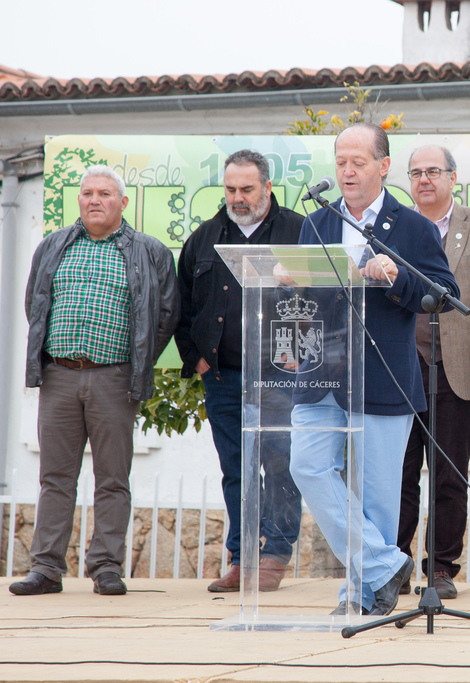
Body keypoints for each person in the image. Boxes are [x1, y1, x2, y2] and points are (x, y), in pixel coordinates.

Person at [288, 123, 459, 616]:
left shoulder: (412, 227)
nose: (346, 170)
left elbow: (443, 295)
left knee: (379, 495)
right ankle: (386, 564)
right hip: (320, 374)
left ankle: (362, 594)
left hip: (383, 375)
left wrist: (398, 276)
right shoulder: (315, 224)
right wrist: (287, 280)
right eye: (340, 161)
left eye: (357, 161)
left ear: (383, 166)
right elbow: (303, 296)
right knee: (307, 466)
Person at [12, 166, 178, 597]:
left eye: (105, 193)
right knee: (55, 478)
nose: (94, 200)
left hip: (114, 379)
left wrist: (135, 362)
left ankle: (106, 567)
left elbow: (164, 317)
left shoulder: (150, 251)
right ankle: (46, 569)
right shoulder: (53, 246)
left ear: (123, 202)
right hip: (60, 376)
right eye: (87, 193)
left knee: (112, 478)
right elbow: (36, 303)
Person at [174, 149, 304, 593]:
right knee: (237, 467)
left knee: (280, 464)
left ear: (268, 187)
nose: (238, 197)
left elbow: (326, 299)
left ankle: (274, 553)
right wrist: (198, 359)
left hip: (281, 376)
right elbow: (183, 304)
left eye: (247, 189)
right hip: (225, 376)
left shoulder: (300, 231)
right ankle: (240, 555)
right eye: (230, 189)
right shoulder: (205, 236)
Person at [396, 146, 470, 600]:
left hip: (456, 368)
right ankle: (396, 564)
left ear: (453, 178)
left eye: (434, 172)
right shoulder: (396, 227)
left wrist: (464, 337)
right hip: (402, 366)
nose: (425, 179)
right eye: (416, 173)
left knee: (449, 474)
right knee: (398, 472)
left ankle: (441, 567)